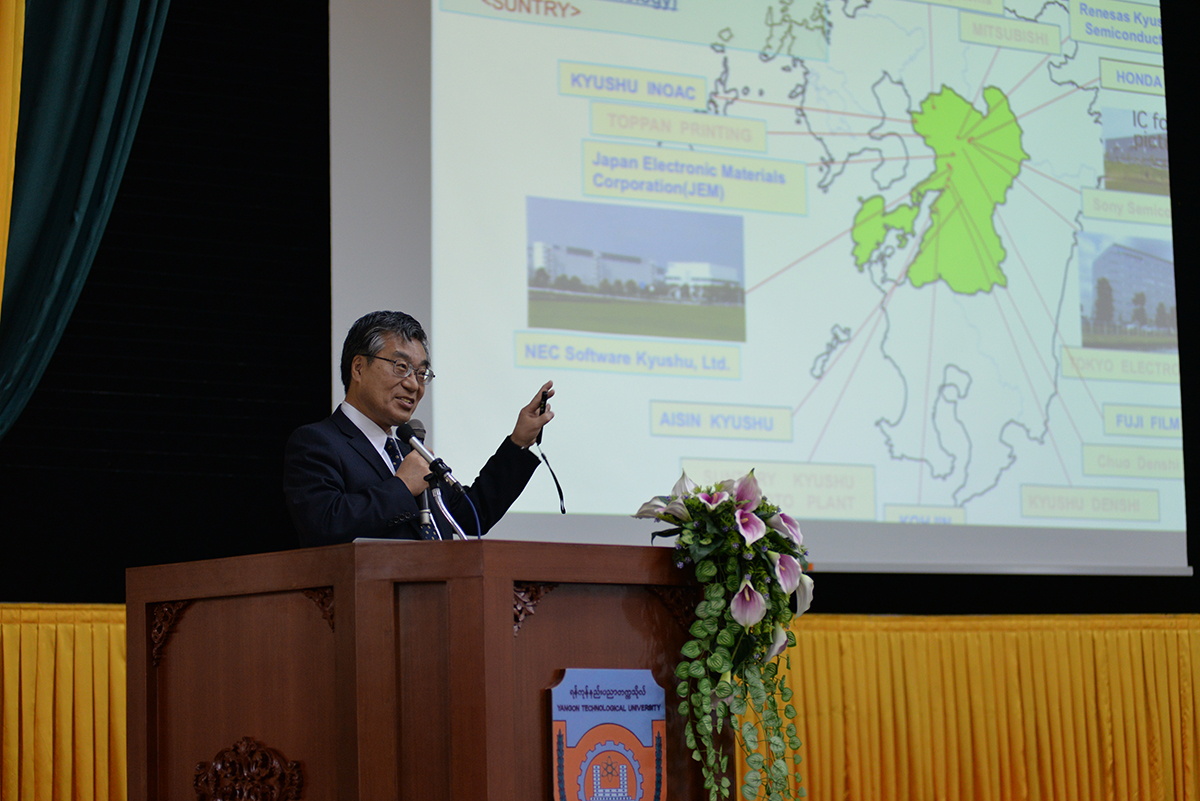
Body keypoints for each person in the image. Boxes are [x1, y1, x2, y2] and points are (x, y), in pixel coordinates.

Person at [284, 310, 553, 546]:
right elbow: (324, 524)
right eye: (401, 367)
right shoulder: (317, 442)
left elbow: (471, 516)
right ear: (358, 368)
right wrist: (402, 486)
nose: (414, 385)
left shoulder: (409, 453)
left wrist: (518, 442)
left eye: (421, 373)